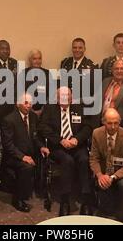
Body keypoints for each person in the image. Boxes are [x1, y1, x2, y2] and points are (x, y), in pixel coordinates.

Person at [38, 87, 93, 216]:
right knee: (67, 161)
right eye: (61, 96)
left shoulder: (79, 108)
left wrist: (77, 139)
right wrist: (60, 140)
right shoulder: (49, 109)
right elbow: (42, 127)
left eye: (67, 96)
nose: (64, 98)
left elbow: (87, 127)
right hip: (58, 147)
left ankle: (86, 200)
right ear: (57, 98)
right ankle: (65, 200)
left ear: (71, 97)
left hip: (77, 146)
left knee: (84, 159)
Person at [89, 108, 123, 223]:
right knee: (105, 210)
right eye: (109, 123)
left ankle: (122, 213)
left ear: (119, 122)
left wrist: (112, 177)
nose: (113, 126)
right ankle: (104, 209)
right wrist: (100, 175)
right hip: (104, 171)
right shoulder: (96, 133)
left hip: (121, 173)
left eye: (116, 123)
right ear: (104, 122)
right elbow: (94, 158)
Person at [1, 93, 46, 212]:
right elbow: (8, 145)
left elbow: (35, 137)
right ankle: (18, 199)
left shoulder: (33, 117)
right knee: (26, 167)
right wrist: (23, 157)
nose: (29, 106)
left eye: (31, 103)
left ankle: (36, 189)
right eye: (26, 103)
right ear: (18, 104)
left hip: (31, 153)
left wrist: (41, 147)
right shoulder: (9, 120)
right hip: (14, 156)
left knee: (43, 158)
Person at [23, 49, 50, 115]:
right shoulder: (23, 74)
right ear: (30, 60)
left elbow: (51, 95)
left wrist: (42, 110)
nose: (37, 61)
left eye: (39, 58)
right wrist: (30, 110)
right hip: (26, 111)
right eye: (34, 59)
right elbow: (20, 94)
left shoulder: (48, 74)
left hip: (44, 111)